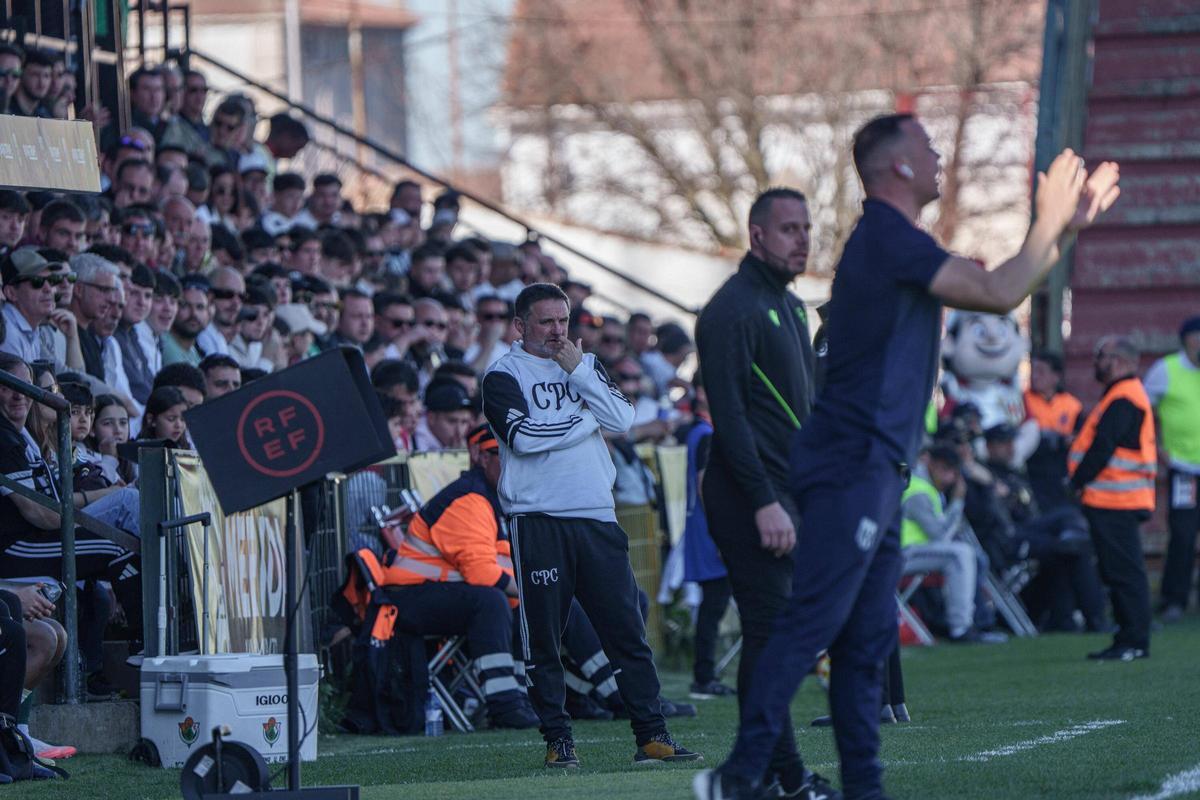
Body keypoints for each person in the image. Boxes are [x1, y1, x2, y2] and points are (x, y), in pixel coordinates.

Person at [693, 114, 1120, 800]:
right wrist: (1049, 219)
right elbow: (999, 290)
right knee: (808, 628)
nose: (939, 155)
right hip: (851, 464)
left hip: (880, 470)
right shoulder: (887, 239)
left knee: (864, 651)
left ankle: (865, 790)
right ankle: (739, 778)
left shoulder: (898, 240)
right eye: (927, 146)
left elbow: (1008, 280)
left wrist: (1064, 229)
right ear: (895, 165)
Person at [482, 282, 699, 769]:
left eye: (563, 320)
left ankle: (652, 737)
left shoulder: (585, 366)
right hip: (538, 519)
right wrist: (585, 420)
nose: (558, 330)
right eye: (546, 322)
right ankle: (558, 741)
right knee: (544, 637)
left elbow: (621, 417)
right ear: (521, 327)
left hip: (597, 515)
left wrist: (578, 373)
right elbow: (527, 439)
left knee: (627, 631)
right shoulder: (502, 376)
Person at [694, 188, 828, 799]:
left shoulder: (793, 307)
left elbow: (801, 411)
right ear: (757, 236)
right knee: (770, 634)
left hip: (789, 493)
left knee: (779, 639)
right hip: (750, 498)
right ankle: (780, 778)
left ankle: (775, 775)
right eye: (789, 229)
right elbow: (731, 419)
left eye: (806, 227)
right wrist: (764, 500)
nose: (802, 239)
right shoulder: (731, 311)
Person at [1067, 336, 1156, 660]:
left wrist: (1077, 480)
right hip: (1116, 500)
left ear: (1119, 361)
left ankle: (1133, 641)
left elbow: (1103, 446)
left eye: (1101, 356)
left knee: (1124, 573)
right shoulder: (1124, 395)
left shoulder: (1124, 397)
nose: (1096, 362)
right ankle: (1128, 638)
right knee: (1119, 571)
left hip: (1117, 501)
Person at [677, 372, 734, 699]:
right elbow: (705, 488)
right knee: (714, 606)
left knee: (714, 606)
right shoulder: (705, 434)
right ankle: (704, 677)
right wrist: (724, 534)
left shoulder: (699, 432)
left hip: (705, 528)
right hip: (711, 530)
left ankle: (705, 674)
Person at [1144, 315, 1200, 622]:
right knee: (1183, 534)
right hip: (1185, 469)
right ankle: (1173, 600)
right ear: (1187, 340)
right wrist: (1157, 448)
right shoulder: (1166, 370)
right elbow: (1142, 408)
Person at [900, 445, 986, 642]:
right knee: (960, 554)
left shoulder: (927, 486)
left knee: (968, 554)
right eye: (945, 469)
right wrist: (957, 502)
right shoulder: (917, 491)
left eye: (953, 472)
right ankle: (960, 628)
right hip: (900, 555)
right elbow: (940, 536)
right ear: (930, 463)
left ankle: (973, 620)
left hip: (914, 553)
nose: (949, 478)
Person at [1023, 352, 1083, 511]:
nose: (1035, 376)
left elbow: (1080, 438)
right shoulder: (1023, 401)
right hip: (1031, 472)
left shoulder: (1071, 405)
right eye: (1033, 371)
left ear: (1056, 376)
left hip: (1061, 475)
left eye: (1041, 371)